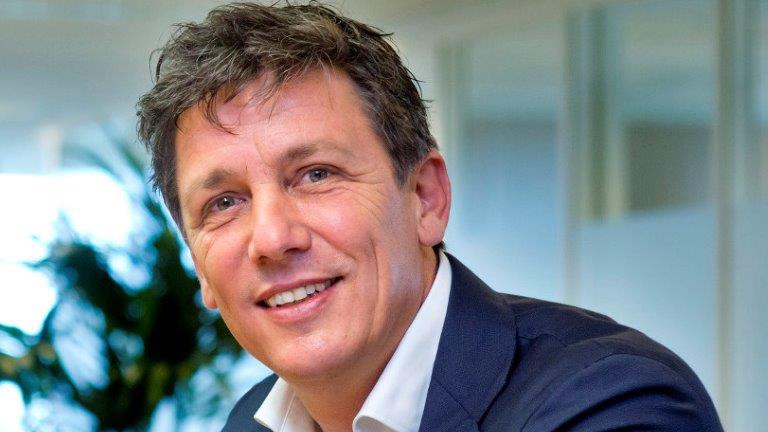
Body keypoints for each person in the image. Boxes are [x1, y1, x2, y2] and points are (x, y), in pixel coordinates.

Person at [137, 3, 723, 431]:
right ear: (200, 267)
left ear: (425, 197)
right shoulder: (251, 421)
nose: (271, 238)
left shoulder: (610, 400)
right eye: (224, 203)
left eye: (316, 174)